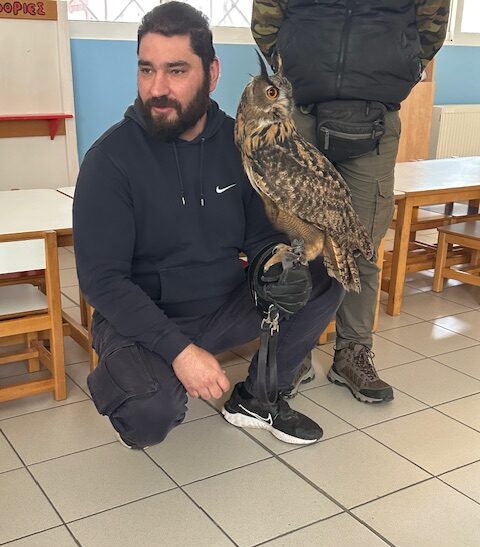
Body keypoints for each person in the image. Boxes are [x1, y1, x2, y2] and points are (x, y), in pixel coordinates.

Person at [73, 1, 344, 450]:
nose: (157, 88)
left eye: (176, 71)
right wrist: (179, 353)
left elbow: (260, 232)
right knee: (148, 414)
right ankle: (136, 376)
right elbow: (102, 282)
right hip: (142, 313)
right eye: (146, 69)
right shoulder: (110, 161)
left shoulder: (241, 147)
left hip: (224, 303)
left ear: (212, 73)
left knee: (323, 276)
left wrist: (273, 265)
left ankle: (259, 398)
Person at [252, 0, 450, 403]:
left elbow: (433, 20)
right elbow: (266, 14)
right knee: (298, 244)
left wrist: (403, 65)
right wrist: (292, 61)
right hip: (301, 110)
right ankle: (295, 352)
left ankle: (353, 352)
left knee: (362, 247)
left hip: (375, 114)